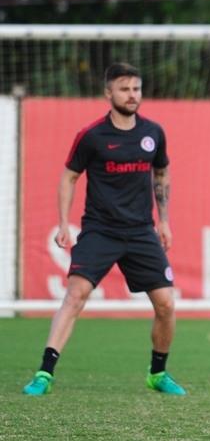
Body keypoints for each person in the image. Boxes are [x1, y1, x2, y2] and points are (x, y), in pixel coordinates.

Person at [23, 62, 186, 396]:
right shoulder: (92, 135)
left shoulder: (153, 133)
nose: (132, 95)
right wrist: (62, 222)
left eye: (136, 89)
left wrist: (164, 220)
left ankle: (157, 373)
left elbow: (162, 173)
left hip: (141, 231)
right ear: (108, 93)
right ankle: (44, 373)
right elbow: (69, 176)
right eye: (124, 89)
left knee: (167, 305)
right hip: (100, 230)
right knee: (75, 295)